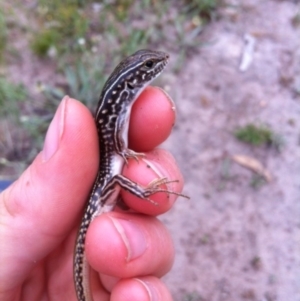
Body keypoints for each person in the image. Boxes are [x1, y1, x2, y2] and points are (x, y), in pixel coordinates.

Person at [0, 87, 186, 301]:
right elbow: (115, 170)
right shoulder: (117, 106)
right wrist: (144, 191)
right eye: (149, 67)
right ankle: (143, 192)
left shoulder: (119, 107)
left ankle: (141, 193)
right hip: (103, 190)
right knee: (118, 182)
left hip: (102, 190)